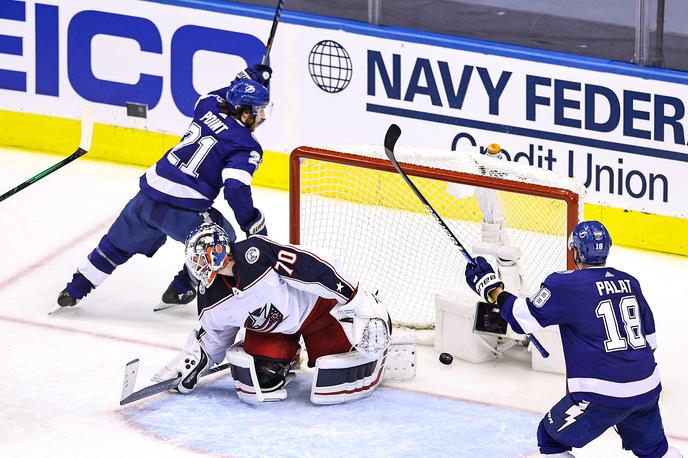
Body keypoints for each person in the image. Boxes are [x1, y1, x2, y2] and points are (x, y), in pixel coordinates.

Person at [55, 64, 274, 311]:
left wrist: (245, 81)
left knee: (115, 245)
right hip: (185, 212)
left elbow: (222, 95)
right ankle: (182, 288)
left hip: (148, 197)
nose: (263, 117)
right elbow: (235, 189)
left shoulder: (207, 106)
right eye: (260, 110)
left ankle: (74, 289)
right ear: (245, 112)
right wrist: (252, 223)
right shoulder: (246, 146)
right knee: (224, 239)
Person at [465, 220, 682, 458]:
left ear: (576, 251)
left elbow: (521, 318)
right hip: (647, 387)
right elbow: (650, 341)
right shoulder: (630, 282)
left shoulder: (565, 284)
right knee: (653, 450)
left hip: (603, 395)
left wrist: (491, 288)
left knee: (550, 438)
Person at [152, 223, 392, 405]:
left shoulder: (257, 253)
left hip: (317, 313)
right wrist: (195, 362)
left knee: (335, 375)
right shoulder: (210, 297)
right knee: (261, 380)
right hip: (273, 330)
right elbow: (216, 333)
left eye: (202, 258)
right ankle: (286, 357)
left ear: (218, 249)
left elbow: (312, 267)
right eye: (195, 261)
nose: (199, 267)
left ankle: (379, 333)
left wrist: (356, 298)